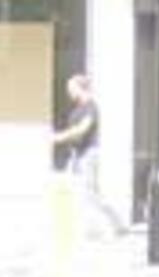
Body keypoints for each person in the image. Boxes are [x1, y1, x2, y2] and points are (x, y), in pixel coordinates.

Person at [49, 74, 125, 236]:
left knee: (91, 194)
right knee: (79, 193)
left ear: (80, 88)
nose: (68, 92)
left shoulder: (91, 107)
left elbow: (83, 129)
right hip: (77, 154)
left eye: (71, 88)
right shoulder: (78, 108)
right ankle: (87, 229)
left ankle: (113, 227)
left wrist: (59, 137)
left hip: (88, 155)